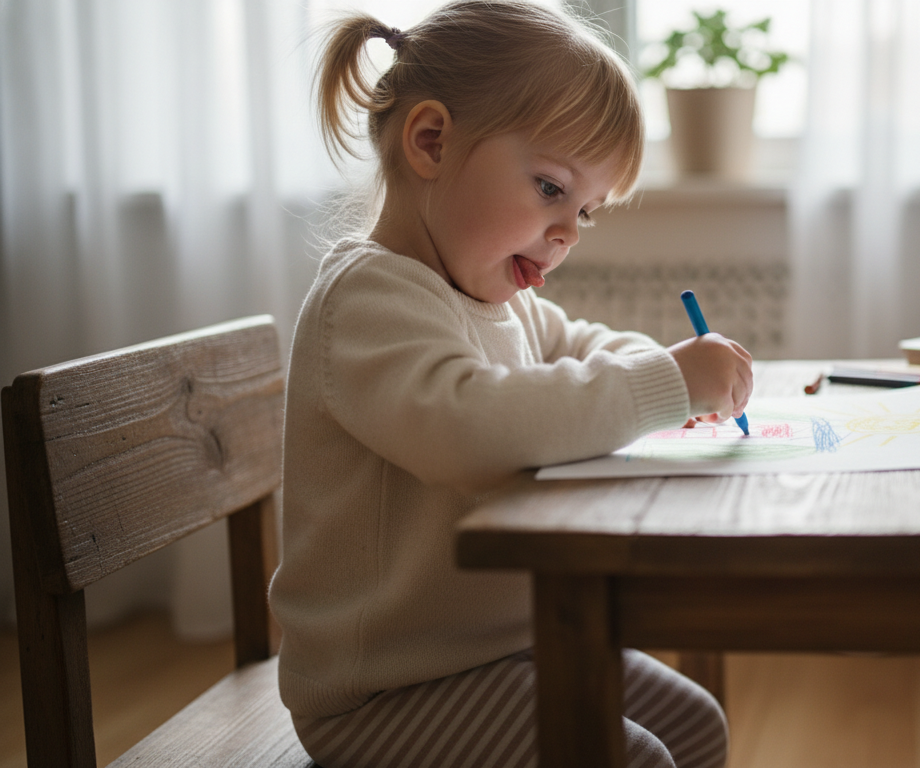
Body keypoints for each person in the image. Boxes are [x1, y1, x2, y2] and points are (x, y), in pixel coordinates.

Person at [268, 2, 748, 767]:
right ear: (431, 142)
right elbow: (471, 428)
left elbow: (579, 344)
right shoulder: (367, 302)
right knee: (635, 757)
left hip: (498, 647)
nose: (568, 234)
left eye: (586, 210)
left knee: (696, 727)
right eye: (552, 189)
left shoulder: (499, 298)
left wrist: (676, 366)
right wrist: (668, 383)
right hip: (383, 694)